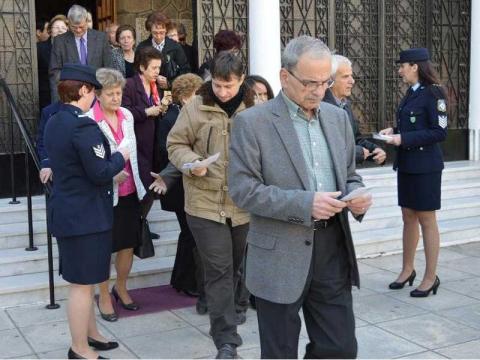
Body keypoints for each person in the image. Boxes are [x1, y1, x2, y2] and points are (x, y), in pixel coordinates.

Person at [228, 35, 372, 359]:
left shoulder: (337, 119)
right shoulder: (252, 123)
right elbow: (243, 190)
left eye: (325, 82)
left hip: (332, 248)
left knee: (340, 348)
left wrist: (356, 193)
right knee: (279, 353)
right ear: (284, 77)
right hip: (279, 254)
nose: (319, 91)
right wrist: (305, 205)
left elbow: (348, 174)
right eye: (310, 82)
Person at [167, 51, 254, 359]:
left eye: (228, 86)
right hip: (204, 203)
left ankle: (227, 316)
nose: (222, 92)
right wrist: (191, 163)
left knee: (233, 267)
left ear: (242, 79)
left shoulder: (255, 107)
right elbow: (175, 144)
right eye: (217, 85)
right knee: (218, 269)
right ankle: (226, 340)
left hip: (242, 204)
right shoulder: (195, 106)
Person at [44, 63, 128, 359]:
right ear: (83, 90)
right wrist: (121, 156)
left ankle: (91, 334)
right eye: (93, 90)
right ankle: (79, 348)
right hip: (85, 218)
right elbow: (100, 171)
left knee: (87, 280)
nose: (95, 96)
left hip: (72, 213)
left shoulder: (55, 120)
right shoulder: (81, 124)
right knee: (81, 286)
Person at [379, 47, 447, 297]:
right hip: (407, 164)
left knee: (427, 220)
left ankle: (430, 277)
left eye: (402, 66)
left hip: (426, 167)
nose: (399, 70)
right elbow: (413, 123)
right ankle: (408, 270)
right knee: (408, 216)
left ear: (415, 66)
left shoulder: (434, 93)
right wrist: (394, 130)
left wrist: (403, 138)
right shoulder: (412, 92)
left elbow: (439, 132)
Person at [85, 68, 146, 321]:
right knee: (104, 247)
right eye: (110, 93)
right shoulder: (88, 120)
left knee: (127, 244)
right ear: (98, 94)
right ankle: (104, 294)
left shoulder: (128, 115)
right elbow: (88, 161)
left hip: (130, 189)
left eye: (118, 92)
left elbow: (131, 147)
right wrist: (110, 175)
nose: (115, 97)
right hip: (104, 193)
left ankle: (120, 287)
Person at [154, 73, 206, 306]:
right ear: (186, 97)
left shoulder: (185, 115)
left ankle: (181, 279)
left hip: (186, 183)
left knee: (188, 234)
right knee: (190, 234)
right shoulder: (172, 118)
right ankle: (188, 282)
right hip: (178, 186)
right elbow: (170, 153)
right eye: (197, 94)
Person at [122, 47, 164, 230]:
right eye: (154, 68)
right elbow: (123, 111)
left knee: (150, 189)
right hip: (135, 145)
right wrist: (146, 112)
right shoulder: (130, 85)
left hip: (153, 145)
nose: (157, 72)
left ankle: (140, 225)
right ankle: (137, 227)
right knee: (143, 189)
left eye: (159, 67)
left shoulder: (156, 87)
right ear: (141, 67)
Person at [323, 54, 387, 165]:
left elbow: (356, 139)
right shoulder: (321, 107)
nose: (352, 81)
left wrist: (375, 150)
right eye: (345, 76)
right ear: (330, 80)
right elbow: (329, 149)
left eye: (351, 76)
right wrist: (359, 153)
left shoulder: (345, 104)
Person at [49, 4, 113, 102]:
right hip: (70, 97)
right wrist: (57, 101)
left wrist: (107, 96)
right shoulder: (59, 41)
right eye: (74, 27)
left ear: (87, 21)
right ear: (68, 23)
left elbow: (108, 68)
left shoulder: (101, 38)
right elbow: (55, 73)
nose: (78, 30)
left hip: (97, 94)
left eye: (81, 27)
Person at [136, 11, 190, 89]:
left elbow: (186, 71)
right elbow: (136, 71)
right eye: (155, 33)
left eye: (161, 33)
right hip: (147, 91)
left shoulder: (175, 47)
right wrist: (153, 77)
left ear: (166, 30)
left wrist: (170, 83)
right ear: (150, 30)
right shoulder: (142, 47)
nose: (158, 36)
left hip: (170, 93)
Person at [37, 15, 69, 110]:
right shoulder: (39, 48)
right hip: (46, 96)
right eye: (57, 27)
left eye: (63, 28)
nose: (60, 30)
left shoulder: (71, 49)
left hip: (67, 95)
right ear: (50, 30)